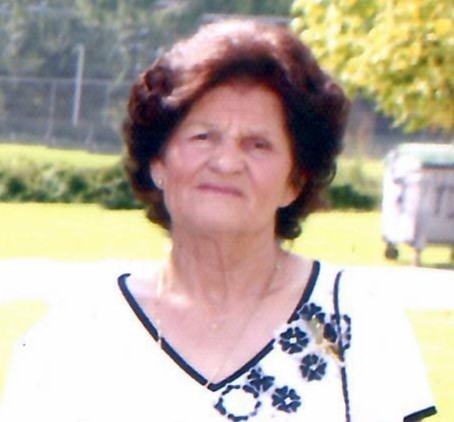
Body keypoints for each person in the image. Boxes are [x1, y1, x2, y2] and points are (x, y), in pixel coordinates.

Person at [0, 19, 436, 422]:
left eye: (258, 144)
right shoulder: (77, 331)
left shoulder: (358, 320)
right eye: (203, 136)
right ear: (158, 163)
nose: (227, 162)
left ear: (295, 180)